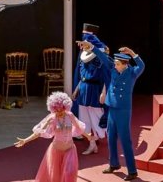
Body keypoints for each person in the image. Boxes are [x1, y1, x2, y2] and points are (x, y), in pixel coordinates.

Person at [89, 43, 144, 181]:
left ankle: (132, 171)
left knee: (125, 140)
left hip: (123, 110)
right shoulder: (113, 70)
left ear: (125, 64)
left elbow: (142, 65)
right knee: (111, 137)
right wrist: (92, 47)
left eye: (117, 64)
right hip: (112, 107)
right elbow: (103, 58)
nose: (115, 65)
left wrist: (131, 52)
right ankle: (114, 164)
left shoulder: (132, 73)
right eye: (115, 63)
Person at [14, 92, 93, 182]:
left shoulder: (70, 116)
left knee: (69, 172)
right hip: (56, 151)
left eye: (61, 110)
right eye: (56, 110)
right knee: (56, 176)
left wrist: (88, 136)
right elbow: (38, 133)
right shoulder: (52, 118)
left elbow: (79, 127)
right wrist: (25, 140)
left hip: (70, 150)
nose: (59, 112)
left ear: (65, 107)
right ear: (53, 109)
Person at [72, 24, 108, 154]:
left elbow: (107, 75)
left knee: (97, 117)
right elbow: (82, 75)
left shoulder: (101, 55)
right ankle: (92, 143)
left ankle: (105, 140)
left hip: (94, 89)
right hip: (83, 89)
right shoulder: (83, 55)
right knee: (84, 118)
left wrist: (103, 92)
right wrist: (77, 89)